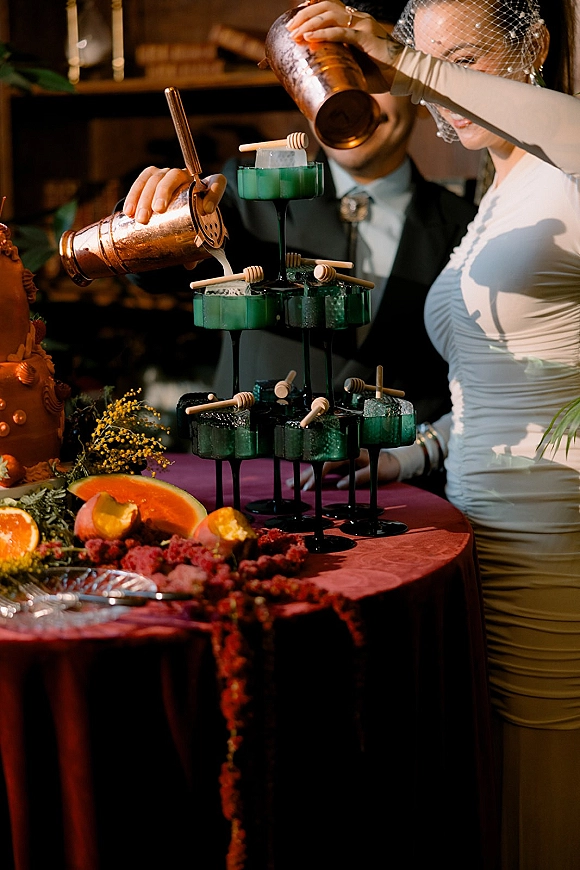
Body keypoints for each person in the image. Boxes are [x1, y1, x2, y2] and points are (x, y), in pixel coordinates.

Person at [287, 1, 580, 867]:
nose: (437, 85)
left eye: (464, 60)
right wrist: (411, 455)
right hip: (480, 534)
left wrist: (404, 60)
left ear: (534, 45)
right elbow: (488, 392)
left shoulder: (568, 167)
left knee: (549, 764)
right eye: (426, 60)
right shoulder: (498, 192)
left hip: (558, 536)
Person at [123, 0, 477, 429]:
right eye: (328, 68)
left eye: (369, 68)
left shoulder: (467, 226)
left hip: (400, 466)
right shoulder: (249, 192)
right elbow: (156, 275)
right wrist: (162, 216)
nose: (350, 93)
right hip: (259, 463)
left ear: (412, 85)